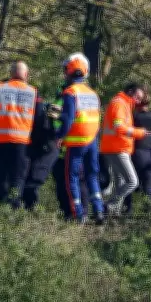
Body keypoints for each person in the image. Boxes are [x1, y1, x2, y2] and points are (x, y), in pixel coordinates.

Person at [56, 53, 105, 224]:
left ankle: (78, 214)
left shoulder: (70, 93)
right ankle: (99, 211)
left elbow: (68, 119)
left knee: (72, 177)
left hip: (76, 142)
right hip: (92, 141)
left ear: (68, 72)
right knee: (92, 175)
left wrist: (59, 136)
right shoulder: (92, 93)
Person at [0, 61, 41, 208]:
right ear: (26, 75)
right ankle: (14, 207)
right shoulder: (33, 92)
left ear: (11, 74)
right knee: (18, 177)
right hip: (21, 142)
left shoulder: (0, 89)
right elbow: (40, 119)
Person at [100, 83, 150, 216]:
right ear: (130, 91)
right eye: (137, 97)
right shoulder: (119, 104)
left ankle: (113, 212)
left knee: (120, 182)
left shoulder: (124, 104)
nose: (138, 101)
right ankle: (107, 206)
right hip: (117, 149)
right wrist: (139, 132)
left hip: (117, 148)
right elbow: (119, 128)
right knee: (132, 181)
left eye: (140, 99)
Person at [50, 83, 89, 220]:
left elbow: (54, 125)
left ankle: (68, 213)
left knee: (63, 182)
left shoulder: (59, 102)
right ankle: (83, 212)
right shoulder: (85, 102)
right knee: (80, 181)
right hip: (80, 148)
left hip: (63, 150)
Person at [124, 94, 151, 213]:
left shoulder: (132, 118)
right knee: (149, 187)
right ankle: (149, 215)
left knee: (130, 183)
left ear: (137, 104)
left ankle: (127, 211)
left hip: (135, 154)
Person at [22, 94, 60, 211]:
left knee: (33, 180)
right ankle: (29, 207)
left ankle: (30, 207)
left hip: (46, 147)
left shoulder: (51, 108)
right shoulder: (46, 109)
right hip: (42, 146)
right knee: (31, 179)